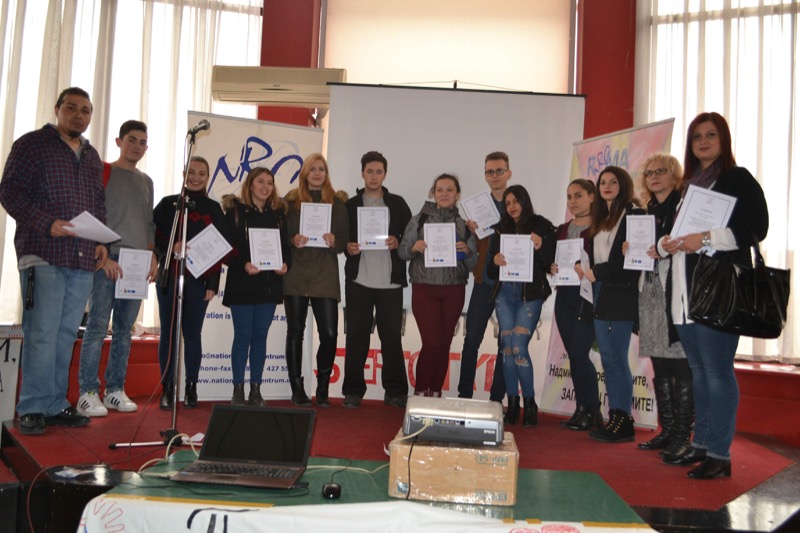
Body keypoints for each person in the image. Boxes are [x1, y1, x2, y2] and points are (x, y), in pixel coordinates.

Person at [659, 112, 768, 479]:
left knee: (717, 372)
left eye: (710, 135)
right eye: (696, 137)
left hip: (718, 292)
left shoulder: (737, 178)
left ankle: (719, 453)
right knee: (699, 372)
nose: (703, 142)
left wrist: (705, 238)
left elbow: (756, 229)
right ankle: (703, 444)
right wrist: (668, 242)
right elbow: (675, 232)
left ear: (724, 139)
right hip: (685, 294)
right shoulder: (688, 187)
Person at [0, 87, 108, 435]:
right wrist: (47, 223)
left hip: (82, 258)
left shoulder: (91, 155)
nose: (79, 115)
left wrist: (101, 241)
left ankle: (55, 403)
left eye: (85, 110)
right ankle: (32, 405)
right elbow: (9, 192)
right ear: (57, 109)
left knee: (64, 335)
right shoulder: (31, 144)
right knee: (42, 333)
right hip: (43, 252)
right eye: (72, 108)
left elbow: (97, 202)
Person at [76, 120, 158, 417]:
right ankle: (87, 392)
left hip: (137, 263)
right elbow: (89, 215)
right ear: (119, 141)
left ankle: (114, 389)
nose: (137, 146)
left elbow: (148, 222)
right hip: (107, 259)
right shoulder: (103, 171)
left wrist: (152, 255)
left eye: (142, 142)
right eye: (131, 140)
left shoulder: (146, 181)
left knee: (124, 330)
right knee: (98, 326)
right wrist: (103, 255)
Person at [575, 166, 643, 443]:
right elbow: (598, 256)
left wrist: (597, 272)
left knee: (616, 358)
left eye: (613, 181)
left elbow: (629, 261)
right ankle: (615, 416)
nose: (607, 186)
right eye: (603, 182)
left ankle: (623, 419)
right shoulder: (601, 217)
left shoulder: (634, 215)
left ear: (623, 185)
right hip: (600, 291)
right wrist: (582, 266)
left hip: (621, 293)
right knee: (607, 358)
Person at [153, 156, 227, 410]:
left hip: (198, 281)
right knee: (168, 334)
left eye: (201, 173)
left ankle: (191, 387)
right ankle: (167, 388)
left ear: (208, 177)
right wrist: (169, 246)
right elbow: (153, 237)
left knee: (193, 334)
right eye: (192, 172)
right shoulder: (168, 204)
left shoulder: (214, 209)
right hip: (169, 278)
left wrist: (213, 283)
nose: (196, 177)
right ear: (184, 173)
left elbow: (219, 248)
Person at [631, 154, 692, 457]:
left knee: (680, 365)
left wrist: (663, 247)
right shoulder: (646, 213)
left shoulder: (683, 209)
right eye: (649, 173)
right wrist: (631, 249)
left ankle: (683, 436)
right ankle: (666, 431)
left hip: (674, 293)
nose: (654, 176)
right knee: (660, 362)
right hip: (650, 291)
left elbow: (686, 247)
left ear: (674, 175)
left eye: (661, 171)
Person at [342, 151, 412, 408]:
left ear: (385, 174)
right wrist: (347, 247)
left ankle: (395, 391)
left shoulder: (398, 203)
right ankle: (352, 391)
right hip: (359, 280)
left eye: (378, 172)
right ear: (362, 173)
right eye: (369, 171)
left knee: (391, 338)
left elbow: (411, 237)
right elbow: (342, 237)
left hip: (390, 282)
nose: (374, 176)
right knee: (356, 337)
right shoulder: (350, 205)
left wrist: (398, 241)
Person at [398, 174, 477, 396]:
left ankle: (435, 393)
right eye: (439, 190)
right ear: (433, 193)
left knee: (444, 344)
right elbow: (402, 252)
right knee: (432, 343)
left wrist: (468, 251)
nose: (444, 194)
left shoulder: (464, 225)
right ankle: (420, 392)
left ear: (457, 194)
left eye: (449, 190)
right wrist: (413, 248)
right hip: (425, 288)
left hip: (454, 289)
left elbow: (473, 264)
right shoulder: (419, 220)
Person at [283, 153, 349, 407]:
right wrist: (293, 240)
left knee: (330, 334)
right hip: (297, 275)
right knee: (295, 332)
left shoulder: (338, 204)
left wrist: (335, 241)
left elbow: (344, 240)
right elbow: (283, 235)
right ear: (305, 173)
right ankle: (296, 387)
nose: (317, 173)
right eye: (313, 169)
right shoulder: (290, 202)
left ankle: (322, 386)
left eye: (321, 169)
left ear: (326, 173)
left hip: (325, 275)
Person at [487, 185, 556, 427]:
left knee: (518, 346)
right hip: (505, 295)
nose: (512, 207)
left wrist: (540, 246)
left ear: (525, 202)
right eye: (507, 203)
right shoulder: (500, 229)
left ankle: (530, 401)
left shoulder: (541, 226)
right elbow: (490, 270)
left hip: (530, 296)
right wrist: (495, 261)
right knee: (507, 348)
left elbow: (550, 264)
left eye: (516, 201)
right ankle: (513, 403)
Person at [221, 167, 290, 406]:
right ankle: (238, 389)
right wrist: (243, 265)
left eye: (270, 182)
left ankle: (256, 390)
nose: (265, 186)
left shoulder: (278, 216)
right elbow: (226, 250)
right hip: (241, 285)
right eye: (260, 181)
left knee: (260, 338)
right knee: (242, 337)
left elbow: (286, 250)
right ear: (250, 184)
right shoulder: (234, 213)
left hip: (268, 287)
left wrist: (285, 265)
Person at [551, 179, 603, 431]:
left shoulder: (601, 228)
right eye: (569, 196)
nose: (572, 201)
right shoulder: (562, 229)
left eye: (578, 195)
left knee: (580, 354)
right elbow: (553, 260)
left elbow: (605, 262)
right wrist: (552, 267)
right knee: (574, 354)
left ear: (592, 197)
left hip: (587, 296)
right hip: (564, 296)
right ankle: (582, 409)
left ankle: (592, 410)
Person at [458, 151, 510, 402]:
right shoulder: (477, 208)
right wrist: (471, 232)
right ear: (485, 176)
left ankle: (496, 400)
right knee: (471, 341)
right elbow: (471, 249)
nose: (495, 175)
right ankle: (464, 396)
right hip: (483, 283)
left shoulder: (517, 204)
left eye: (499, 171)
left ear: (508, 173)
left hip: (509, 285)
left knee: (505, 345)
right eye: (490, 171)